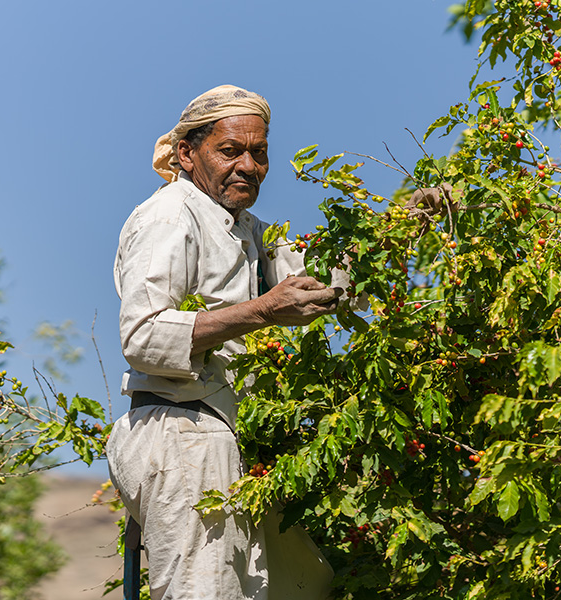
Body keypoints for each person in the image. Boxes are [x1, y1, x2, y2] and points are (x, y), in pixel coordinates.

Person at [106, 85, 346, 600]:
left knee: (303, 585)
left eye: (258, 153)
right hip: (180, 432)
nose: (248, 165)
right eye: (230, 150)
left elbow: (323, 289)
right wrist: (263, 310)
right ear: (187, 153)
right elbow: (144, 335)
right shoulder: (171, 214)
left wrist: (404, 226)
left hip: (227, 440)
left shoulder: (248, 230)